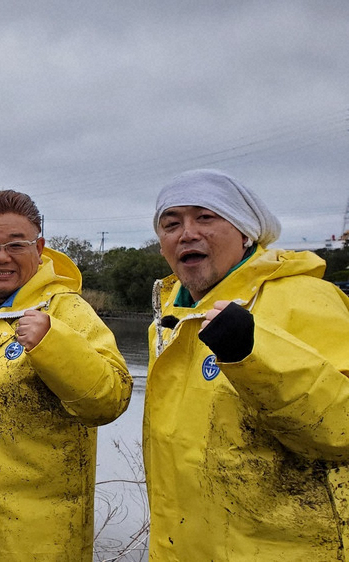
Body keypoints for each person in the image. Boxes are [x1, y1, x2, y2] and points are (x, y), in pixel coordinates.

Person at [145, 169, 349, 560]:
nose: (187, 233)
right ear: (162, 247)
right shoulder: (169, 320)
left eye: (206, 217)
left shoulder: (307, 298)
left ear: (246, 232)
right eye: (171, 224)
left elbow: (342, 431)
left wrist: (253, 353)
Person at [0, 190, 132, 560]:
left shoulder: (68, 310)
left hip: (42, 530)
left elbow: (111, 399)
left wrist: (53, 344)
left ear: (39, 246)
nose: (1, 257)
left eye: (16, 245)